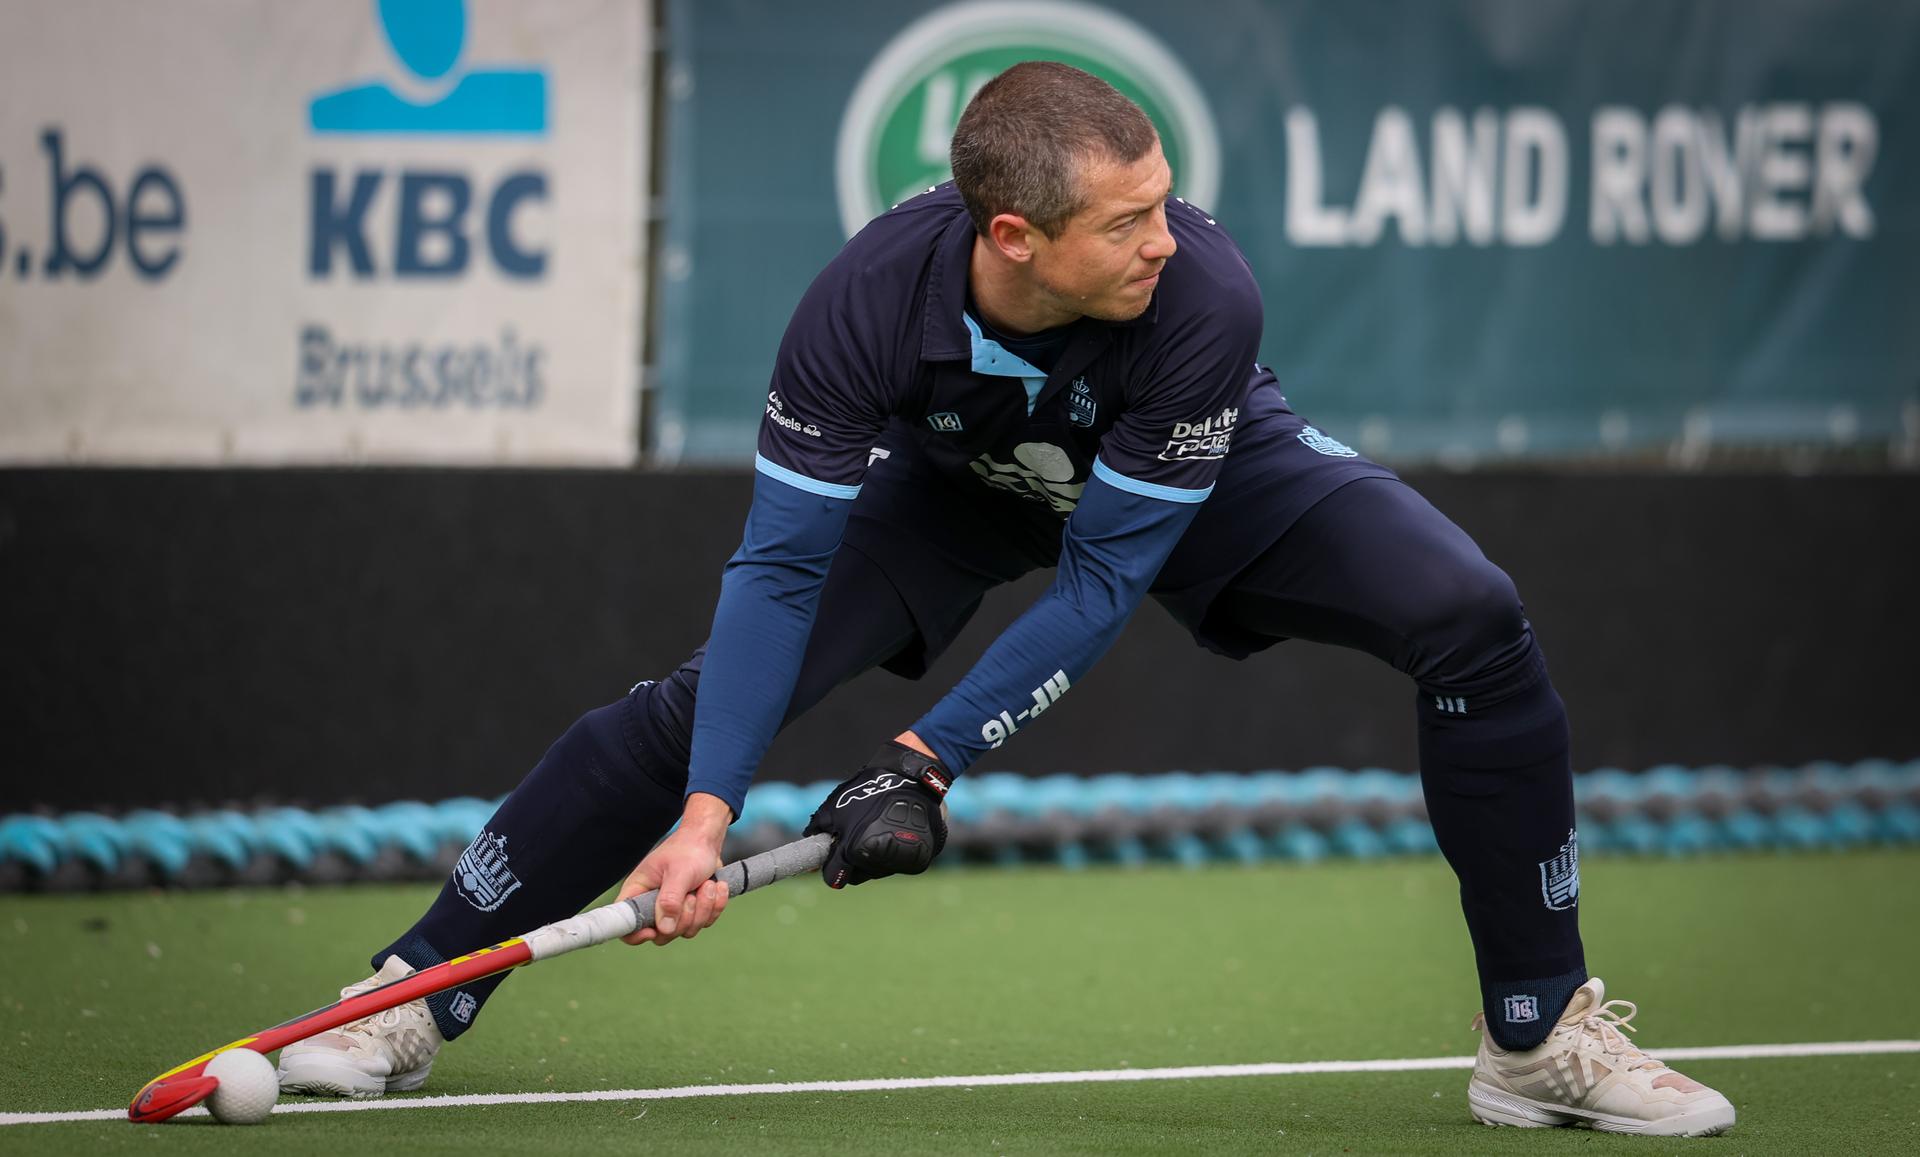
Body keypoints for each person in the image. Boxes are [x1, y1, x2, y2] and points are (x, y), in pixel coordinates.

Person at [277, 62, 1733, 1137]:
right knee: (695, 707)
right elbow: (783, 567)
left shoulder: (1200, 299)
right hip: (959, 483)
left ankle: (1536, 1036)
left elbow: (1106, 573)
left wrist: (925, 759)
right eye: (1127, 222)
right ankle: (414, 986)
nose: (1168, 239)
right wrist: (711, 811)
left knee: (1471, 611)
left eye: (1164, 202)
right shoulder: (861, 309)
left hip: (1199, 465)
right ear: (1015, 237)